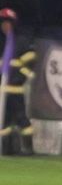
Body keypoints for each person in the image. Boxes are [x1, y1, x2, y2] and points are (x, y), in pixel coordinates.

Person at [0, 8, 36, 155]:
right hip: (2, 90)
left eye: (8, 23)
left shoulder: (21, 42)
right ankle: (6, 148)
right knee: (4, 120)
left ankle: (28, 148)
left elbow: (30, 64)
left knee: (21, 118)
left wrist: (19, 78)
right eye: (3, 23)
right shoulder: (2, 42)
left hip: (16, 89)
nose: (5, 25)